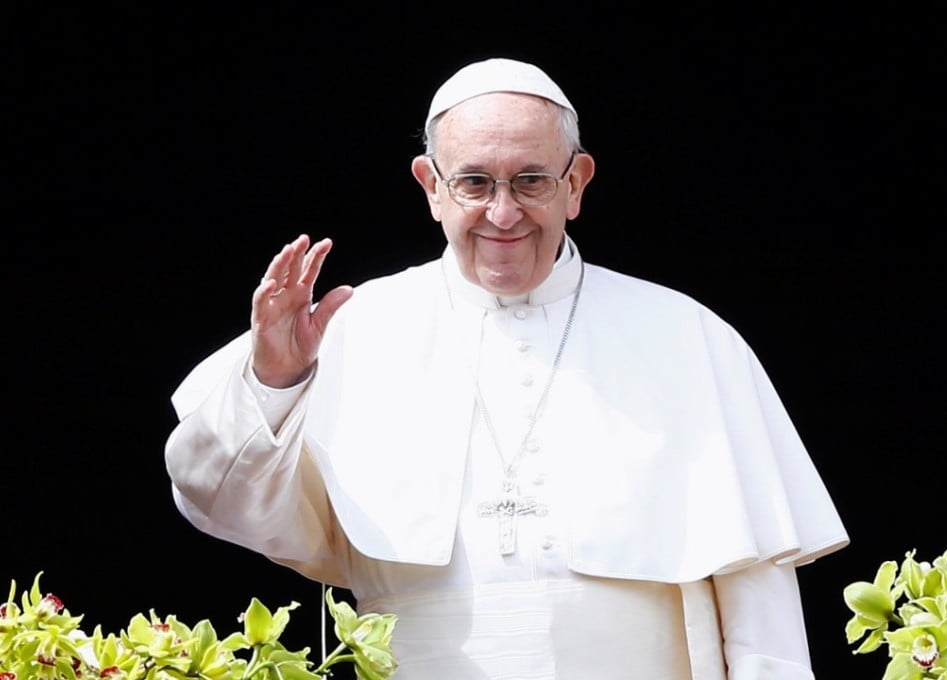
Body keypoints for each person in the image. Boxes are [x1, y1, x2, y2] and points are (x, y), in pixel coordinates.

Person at [165, 57, 850, 679]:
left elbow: (757, 596)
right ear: (431, 187)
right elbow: (219, 501)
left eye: (530, 181)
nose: (503, 212)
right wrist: (275, 379)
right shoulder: (355, 328)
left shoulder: (685, 335)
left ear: (575, 183)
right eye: (473, 182)